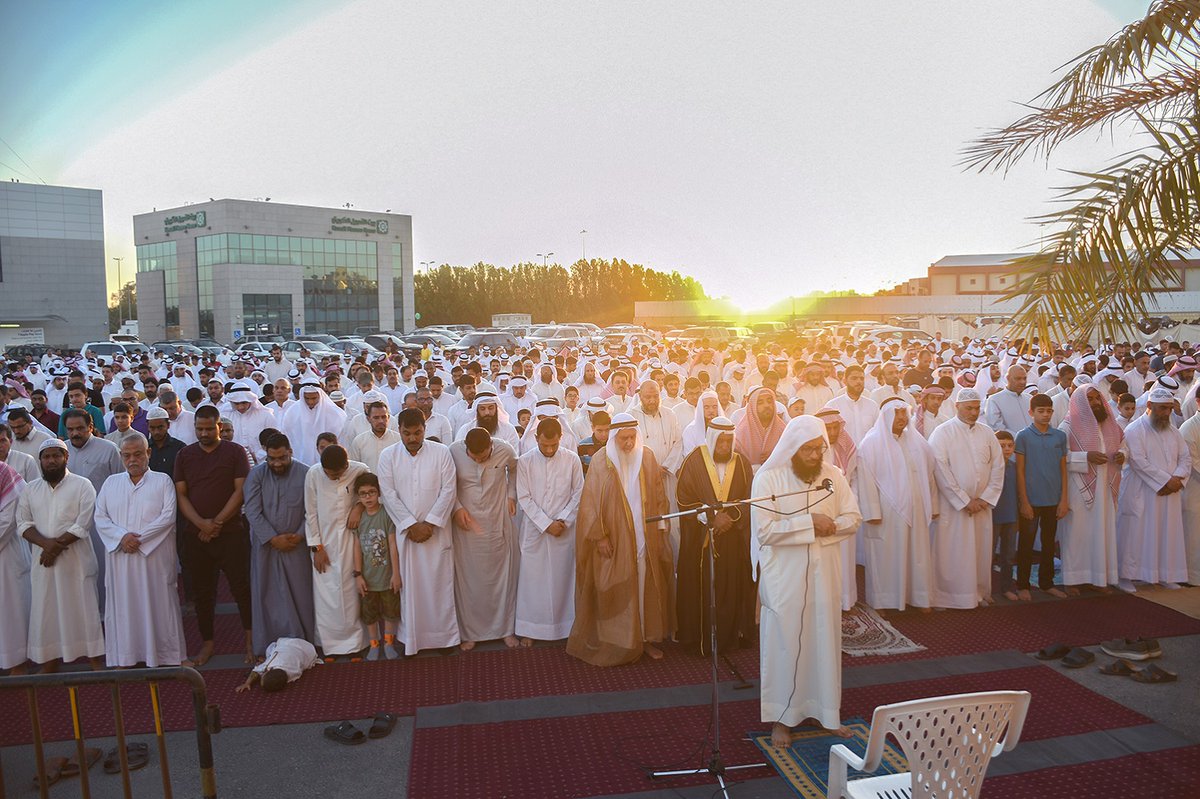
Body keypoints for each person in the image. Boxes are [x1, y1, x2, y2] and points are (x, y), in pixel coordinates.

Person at [750, 416, 861, 747]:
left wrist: (830, 526)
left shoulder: (833, 477)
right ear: (793, 448)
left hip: (824, 573)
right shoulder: (767, 479)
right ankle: (782, 719)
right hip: (784, 578)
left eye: (819, 449)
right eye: (809, 450)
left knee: (823, 642)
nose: (815, 456)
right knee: (786, 645)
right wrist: (809, 524)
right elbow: (765, 532)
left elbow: (852, 518)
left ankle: (827, 713)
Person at [567, 413, 674, 666]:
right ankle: (619, 641)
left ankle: (645, 639)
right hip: (613, 537)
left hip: (643, 534)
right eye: (623, 438)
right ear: (614, 437)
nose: (628, 443)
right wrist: (600, 536)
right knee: (615, 586)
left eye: (632, 437)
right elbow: (590, 503)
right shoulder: (601, 461)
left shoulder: (646, 456)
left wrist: (660, 528)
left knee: (644, 584)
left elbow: (659, 495)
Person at [94, 432, 187, 668]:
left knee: (160, 605)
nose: (132, 460)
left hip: (153, 557)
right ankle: (124, 656)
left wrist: (139, 540)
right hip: (120, 558)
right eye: (127, 455)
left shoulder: (162, 480)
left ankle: (166, 656)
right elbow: (100, 517)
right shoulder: (110, 483)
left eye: (138, 454)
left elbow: (167, 517)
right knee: (123, 607)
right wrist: (121, 537)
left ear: (148, 453)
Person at [174, 404, 254, 666]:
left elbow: (240, 491)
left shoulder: (234, 451)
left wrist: (217, 522)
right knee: (202, 592)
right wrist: (201, 524)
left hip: (230, 531)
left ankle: (251, 640)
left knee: (241, 587)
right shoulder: (185, 455)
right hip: (196, 535)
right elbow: (181, 495)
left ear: (220, 427)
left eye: (210, 428)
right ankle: (207, 643)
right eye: (200, 429)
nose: (205, 433)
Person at [378, 408, 460, 655]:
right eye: (407, 433)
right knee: (411, 588)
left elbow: (449, 490)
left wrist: (431, 523)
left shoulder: (442, 452)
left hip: (437, 533)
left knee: (439, 585)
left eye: (417, 432)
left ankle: (444, 639)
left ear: (425, 429)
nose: (412, 438)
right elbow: (388, 494)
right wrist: (411, 525)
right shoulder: (388, 456)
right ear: (399, 430)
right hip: (407, 534)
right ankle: (413, 639)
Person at [18, 439, 104, 672]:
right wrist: (47, 546)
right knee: (46, 610)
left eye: (56, 456)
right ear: (40, 461)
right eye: (46, 457)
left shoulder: (82, 485)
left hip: (76, 561)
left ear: (66, 458)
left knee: (83, 608)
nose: (51, 461)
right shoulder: (30, 488)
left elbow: (82, 525)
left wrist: (52, 548)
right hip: (44, 563)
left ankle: (95, 658)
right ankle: (50, 659)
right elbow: (23, 524)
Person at [674, 416, 755, 655]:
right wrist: (711, 518)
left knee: (731, 588)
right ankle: (698, 638)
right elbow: (683, 499)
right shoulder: (694, 461)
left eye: (729, 442)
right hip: (700, 541)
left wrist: (730, 518)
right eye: (721, 442)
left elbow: (749, 498)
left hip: (732, 538)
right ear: (712, 439)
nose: (725, 447)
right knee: (700, 588)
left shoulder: (741, 463)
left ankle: (729, 637)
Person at [856, 398, 939, 611]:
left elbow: (929, 476)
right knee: (886, 556)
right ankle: (883, 601)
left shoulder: (917, 442)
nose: (902, 418)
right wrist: (872, 511)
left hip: (916, 509)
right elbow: (865, 481)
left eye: (904, 413)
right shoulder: (871, 443)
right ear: (886, 415)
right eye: (897, 413)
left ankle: (918, 598)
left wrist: (933, 505)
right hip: (886, 512)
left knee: (917, 555)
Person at [927, 388, 1005, 609]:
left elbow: (998, 466)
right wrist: (964, 500)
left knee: (979, 551)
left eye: (976, 408)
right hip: (954, 508)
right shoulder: (942, 433)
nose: (973, 412)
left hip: (981, 506)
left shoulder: (987, 432)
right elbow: (940, 470)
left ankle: (978, 593)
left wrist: (986, 498)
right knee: (951, 552)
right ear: (956, 407)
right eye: (969, 408)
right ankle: (946, 597)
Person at [243, 432, 315, 657]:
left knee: (302, 592)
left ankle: (307, 642)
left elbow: (313, 510)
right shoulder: (256, 475)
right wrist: (273, 538)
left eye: (282, 458)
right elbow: (252, 512)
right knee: (269, 594)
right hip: (267, 547)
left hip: (297, 546)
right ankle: (270, 643)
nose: (276, 463)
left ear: (290, 452)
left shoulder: (306, 473)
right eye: (272, 459)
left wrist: (300, 535)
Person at [448, 428, 520, 649]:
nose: (479, 460)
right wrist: (456, 508)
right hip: (466, 525)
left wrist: (511, 495)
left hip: (497, 520)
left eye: (484, 456)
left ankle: (506, 630)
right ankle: (470, 633)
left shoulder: (504, 449)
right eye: (474, 457)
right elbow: (447, 483)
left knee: (503, 576)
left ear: (491, 446)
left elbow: (515, 469)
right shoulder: (453, 452)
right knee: (469, 579)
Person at [516, 419, 585, 646]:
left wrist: (563, 520)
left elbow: (578, 493)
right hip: (535, 530)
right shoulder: (525, 462)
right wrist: (546, 523)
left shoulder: (572, 459)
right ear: (536, 439)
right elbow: (524, 497)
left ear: (560, 440)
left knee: (563, 578)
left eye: (554, 445)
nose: (549, 450)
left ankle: (565, 627)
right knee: (533, 580)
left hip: (564, 529)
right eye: (544, 445)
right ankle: (531, 629)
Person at [1117, 386, 1190, 591]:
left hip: (1169, 491)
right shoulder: (1134, 430)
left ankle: (1165, 574)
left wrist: (1176, 479)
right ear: (1149, 406)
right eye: (1162, 408)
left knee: (1167, 533)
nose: (1166, 413)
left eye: (1169, 408)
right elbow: (1139, 461)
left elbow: (1185, 458)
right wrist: (1165, 481)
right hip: (1142, 490)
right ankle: (1126, 577)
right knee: (1135, 534)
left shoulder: (1173, 431)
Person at [304, 444, 369, 658]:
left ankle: (359, 642)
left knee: (353, 591)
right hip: (325, 543)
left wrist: (358, 508)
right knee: (327, 594)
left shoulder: (360, 470)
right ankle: (330, 644)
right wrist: (317, 547)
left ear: (346, 465)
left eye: (337, 474)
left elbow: (371, 495)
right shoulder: (313, 474)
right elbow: (310, 512)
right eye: (329, 474)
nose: (332, 477)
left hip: (353, 540)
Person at [61, 407, 122, 610]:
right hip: (69, 521)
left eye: (80, 428)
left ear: (91, 427)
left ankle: (107, 612)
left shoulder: (109, 449)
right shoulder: (61, 451)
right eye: (70, 429)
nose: (75, 433)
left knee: (102, 568)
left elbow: (121, 483)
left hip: (101, 522)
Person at [1013, 393, 1070, 600]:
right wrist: (1024, 501)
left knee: (1049, 543)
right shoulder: (1023, 436)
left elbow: (1063, 469)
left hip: (1053, 500)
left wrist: (1064, 499)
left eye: (1049, 411)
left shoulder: (1059, 436)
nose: (1045, 415)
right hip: (1031, 500)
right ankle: (1023, 585)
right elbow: (1020, 471)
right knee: (1026, 544)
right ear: (1031, 413)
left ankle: (1046, 583)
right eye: (1041, 411)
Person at [351, 472, 401, 661]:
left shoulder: (386, 514)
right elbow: (356, 547)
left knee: (390, 611)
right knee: (369, 613)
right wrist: (358, 575)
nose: (368, 497)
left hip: (387, 576)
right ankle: (374, 643)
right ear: (358, 496)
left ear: (378, 493)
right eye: (363, 494)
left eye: (372, 492)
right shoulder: (359, 518)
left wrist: (396, 574)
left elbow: (393, 545)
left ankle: (389, 643)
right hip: (367, 578)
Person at [0, 460, 30, 673]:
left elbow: (9, 518)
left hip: (7, 553)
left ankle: (16, 664)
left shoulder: (4, 472)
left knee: (10, 611)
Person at [283, 384, 347, 467]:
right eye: (307, 398)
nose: (310, 402)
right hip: (301, 461)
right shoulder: (292, 412)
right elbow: (288, 437)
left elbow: (341, 439)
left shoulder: (335, 413)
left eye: (314, 398)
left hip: (329, 463)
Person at [236, 637, 319, 693]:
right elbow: (259, 671)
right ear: (270, 670)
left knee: (270, 650)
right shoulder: (290, 672)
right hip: (297, 646)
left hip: (308, 650)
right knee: (272, 649)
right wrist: (249, 682)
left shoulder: (293, 675)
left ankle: (265, 659)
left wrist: (247, 683)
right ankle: (265, 659)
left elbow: (256, 670)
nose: (261, 676)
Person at [992, 431, 1019, 601]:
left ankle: (1006, 588)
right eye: (1002, 446)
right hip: (993, 517)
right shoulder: (989, 468)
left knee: (1008, 556)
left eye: (1010, 445)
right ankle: (987, 590)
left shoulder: (1015, 467)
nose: (1007, 449)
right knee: (988, 555)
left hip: (1011, 517)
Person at [734, 386, 786, 472]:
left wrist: (775, 458)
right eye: (760, 402)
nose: (767, 405)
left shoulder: (783, 430)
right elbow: (736, 467)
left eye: (769, 401)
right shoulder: (741, 433)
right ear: (752, 407)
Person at [348, 401, 402, 472]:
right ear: (368, 419)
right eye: (376, 418)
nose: (380, 421)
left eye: (383, 417)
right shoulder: (359, 442)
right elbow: (354, 469)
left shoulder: (398, 440)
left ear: (388, 418)